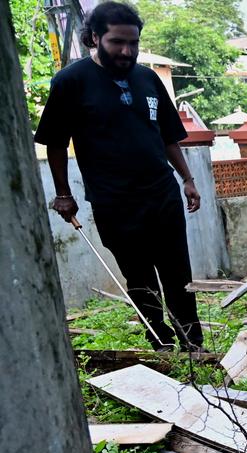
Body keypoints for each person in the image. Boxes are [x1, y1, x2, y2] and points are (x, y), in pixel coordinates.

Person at [37, 1, 203, 350]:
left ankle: (193, 342)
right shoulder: (71, 82)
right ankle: (160, 340)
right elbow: (55, 142)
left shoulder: (148, 79)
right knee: (139, 276)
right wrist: (63, 194)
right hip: (114, 202)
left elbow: (168, 135)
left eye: (133, 43)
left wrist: (187, 179)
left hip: (162, 193)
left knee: (178, 274)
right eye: (117, 42)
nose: (127, 51)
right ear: (95, 38)